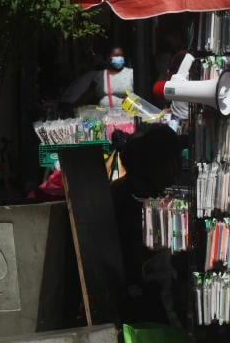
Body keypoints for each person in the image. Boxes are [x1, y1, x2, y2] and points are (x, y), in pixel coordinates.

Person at [110, 124, 183, 325]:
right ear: (155, 164)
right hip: (139, 305)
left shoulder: (141, 193)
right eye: (173, 160)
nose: (177, 168)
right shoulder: (128, 200)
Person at [61, 45, 134, 109]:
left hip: (125, 116)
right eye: (116, 56)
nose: (119, 58)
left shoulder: (130, 73)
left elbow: (138, 96)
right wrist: (74, 106)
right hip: (105, 117)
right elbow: (89, 94)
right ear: (109, 57)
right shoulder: (100, 75)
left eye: (121, 56)